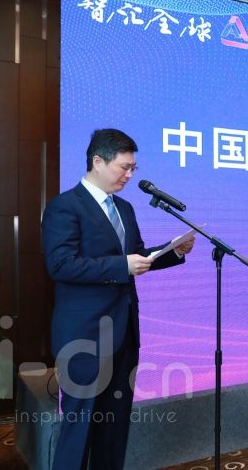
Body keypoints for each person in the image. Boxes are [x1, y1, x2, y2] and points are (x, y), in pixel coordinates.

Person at [41, 128, 195, 469]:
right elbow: (61, 264)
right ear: (98, 161)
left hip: (123, 334)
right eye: (124, 167)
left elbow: (136, 255)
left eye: (133, 168)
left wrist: (173, 252)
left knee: (114, 428)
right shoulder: (65, 207)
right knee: (79, 428)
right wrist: (121, 265)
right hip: (83, 336)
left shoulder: (124, 208)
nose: (129, 175)